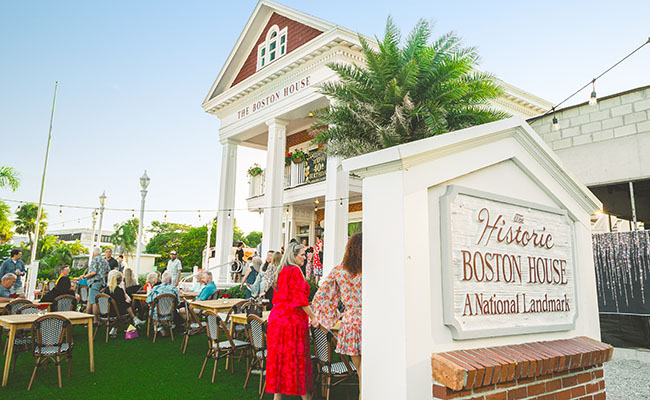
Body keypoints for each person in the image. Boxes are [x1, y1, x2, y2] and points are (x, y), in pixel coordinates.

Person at [265, 242, 319, 399]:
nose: (305, 257)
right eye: (302, 254)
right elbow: (300, 300)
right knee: (297, 359)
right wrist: (313, 317)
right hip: (291, 321)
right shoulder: (294, 270)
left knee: (279, 360)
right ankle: (305, 396)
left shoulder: (281, 270)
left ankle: (278, 397)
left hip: (277, 319)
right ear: (293, 255)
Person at [312, 233, 363, 399]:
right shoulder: (371, 270)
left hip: (350, 321)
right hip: (369, 320)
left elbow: (321, 297)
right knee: (367, 370)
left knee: (361, 370)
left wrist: (335, 314)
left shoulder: (339, 271)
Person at [102, 270, 145, 336]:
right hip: (115, 313)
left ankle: (114, 330)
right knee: (126, 312)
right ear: (120, 281)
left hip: (106, 312)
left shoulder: (106, 290)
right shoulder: (119, 290)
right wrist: (128, 303)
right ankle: (135, 319)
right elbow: (122, 304)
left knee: (125, 308)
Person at [83, 247, 110, 322]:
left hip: (94, 282)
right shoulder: (105, 261)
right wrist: (102, 276)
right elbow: (108, 273)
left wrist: (84, 276)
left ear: (94, 253)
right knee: (90, 301)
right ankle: (86, 319)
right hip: (101, 283)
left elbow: (93, 272)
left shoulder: (94, 260)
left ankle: (95, 320)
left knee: (94, 302)